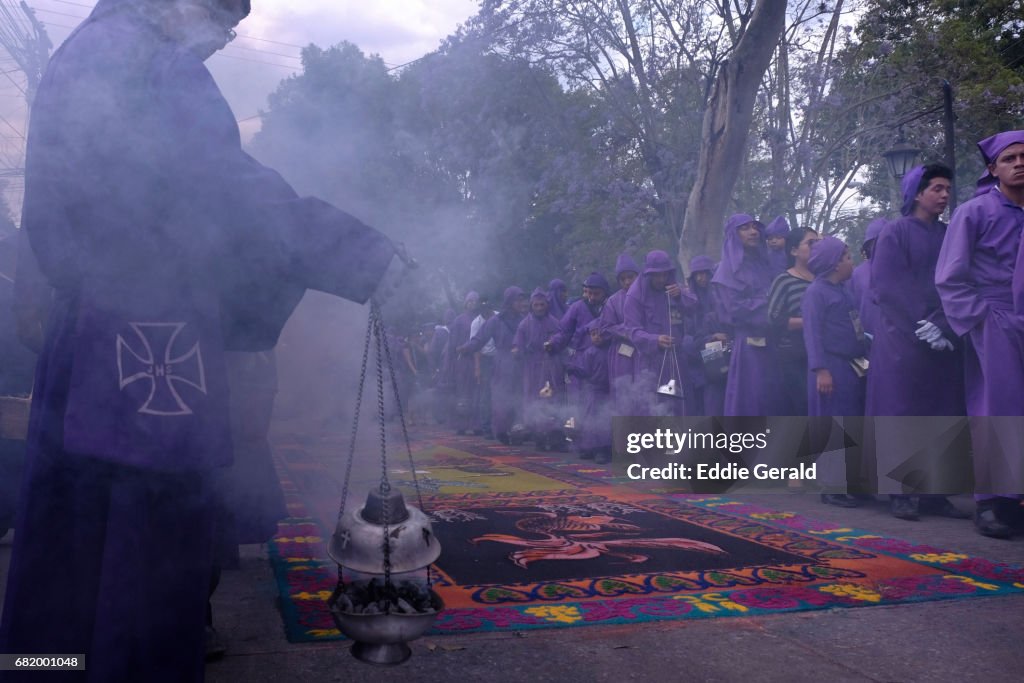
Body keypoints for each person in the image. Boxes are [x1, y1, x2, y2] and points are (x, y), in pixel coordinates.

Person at [0, 2, 402, 681]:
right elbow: (223, 195)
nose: (225, 33)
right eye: (221, 13)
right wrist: (362, 255)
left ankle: (46, 668)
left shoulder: (87, 51)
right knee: (146, 564)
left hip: (84, 343)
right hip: (150, 343)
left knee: (69, 557)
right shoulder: (155, 63)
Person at [866, 163, 968, 521]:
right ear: (918, 193)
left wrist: (943, 325)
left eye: (946, 189)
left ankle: (936, 492)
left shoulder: (949, 234)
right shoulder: (894, 233)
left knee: (941, 411)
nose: (944, 195)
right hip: (901, 339)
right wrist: (921, 325)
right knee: (902, 413)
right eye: (937, 188)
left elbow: (959, 280)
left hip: (943, 336)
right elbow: (888, 287)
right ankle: (901, 492)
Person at [937, 130, 1024, 537]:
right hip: (997, 319)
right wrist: (981, 318)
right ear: (993, 169)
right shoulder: (974, 212)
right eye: (1009, 158)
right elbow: (950, 276)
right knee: (997, 408)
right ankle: (990, 502)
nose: (1019, 163)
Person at [802, 237, 868, 507]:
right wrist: (821, 370)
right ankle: (831, 486)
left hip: (850, 366)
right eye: (848, 257)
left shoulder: (843, 289)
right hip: (830, 368)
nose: (852, 262)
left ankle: (851, 481)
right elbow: (812, 334)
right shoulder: (816, 293)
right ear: (834, 264)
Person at [713, 214, 780, 416]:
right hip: (748, 347)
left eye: (754, 227)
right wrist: (769, 303)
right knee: (752, 400)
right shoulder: (726, 270)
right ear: (734, 235)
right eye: (745, 228)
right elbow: (736, 309)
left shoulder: (763, 263)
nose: (753, 232)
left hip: (774, 342)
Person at [623, 250, 694, 416]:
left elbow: (695, 309)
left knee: (682, 408)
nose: (661, 279)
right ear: (648, 274)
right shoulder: (634, 296)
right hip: (651, 363)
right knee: (655, 410)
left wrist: (680, 297)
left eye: (665, 274)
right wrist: (654, 340)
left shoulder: (675, 289)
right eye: (656, 275)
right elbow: (631, 331)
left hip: (678, 359)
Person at [458, 286, 527, 444]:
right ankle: (502, 431)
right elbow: (479, 338)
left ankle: (518, 430)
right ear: (509, 301)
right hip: (502, 363)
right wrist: (466, 348)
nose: (520, 303)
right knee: (501, 398)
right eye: (518, 300)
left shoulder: (524, 320)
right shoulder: (496, 321)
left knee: (519, 397)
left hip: (520, 363)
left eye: (521, 300)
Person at [767, 227, 819, 416]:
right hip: (795, 357)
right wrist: (810, 322)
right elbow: (774, 319)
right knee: (804, 406)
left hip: (823, 353)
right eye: (810, 243)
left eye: (818, 242)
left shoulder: (823, 279)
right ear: (794, 250)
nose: (816, 247)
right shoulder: (783, 280)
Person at [512, 288, 565, 450]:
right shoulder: (524, 324)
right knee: (533, 399)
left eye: (542, 304)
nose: (539, 307)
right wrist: (517, 351)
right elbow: (517, 346)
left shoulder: (555, 322)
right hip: (532, 368)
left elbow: (562, 341)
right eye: (536, 305)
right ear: (531, 306)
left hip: (551, 366)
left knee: (552, 400)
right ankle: (539, 437)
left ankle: (555, 436)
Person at [683, 255, 726, 416]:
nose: (702, 278)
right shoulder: (687, 302)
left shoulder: (721, 298)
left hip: (722, 355)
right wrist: (710, 338)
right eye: (697, 274)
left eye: (705, 273)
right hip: (698, 362)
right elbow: (686, 338)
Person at [599, 252, 640, 417]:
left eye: (630, 277)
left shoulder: (648, 296)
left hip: (645, 351)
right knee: (625, 394)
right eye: (622, 279)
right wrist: (629, 330)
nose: (627, 282)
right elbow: (606, 327)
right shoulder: (613, 301)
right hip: (622, 354)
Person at [565, 320, 612, 463]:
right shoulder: (589, 353)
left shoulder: (611, 351)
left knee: (605, 421)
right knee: (591, 420)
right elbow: (585, 371)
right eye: (593, 334)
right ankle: (589, 447)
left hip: (609, 391)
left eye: (600, 334)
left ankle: (603, 449)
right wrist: (573, 369)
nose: (596, 337)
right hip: (593, 392)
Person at [444, 291, 481, 435]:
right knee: (463, 393)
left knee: (477, 393)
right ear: (465, 303)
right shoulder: (459, 321)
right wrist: (449, 364)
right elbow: (452, 345)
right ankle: (461, 424)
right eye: (470, 301)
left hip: (479, 360)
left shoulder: (481, 319)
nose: (472, 303)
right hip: (463, 361)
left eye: (475, 301)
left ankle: (477, 424)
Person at [848, 218, 887, 339]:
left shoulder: (904, 268)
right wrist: (860, 337)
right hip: (870, 341)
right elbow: (852, 309)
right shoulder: (857, 274)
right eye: (874, 242)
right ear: (868, 246)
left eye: (885, 240)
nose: (880, 245)